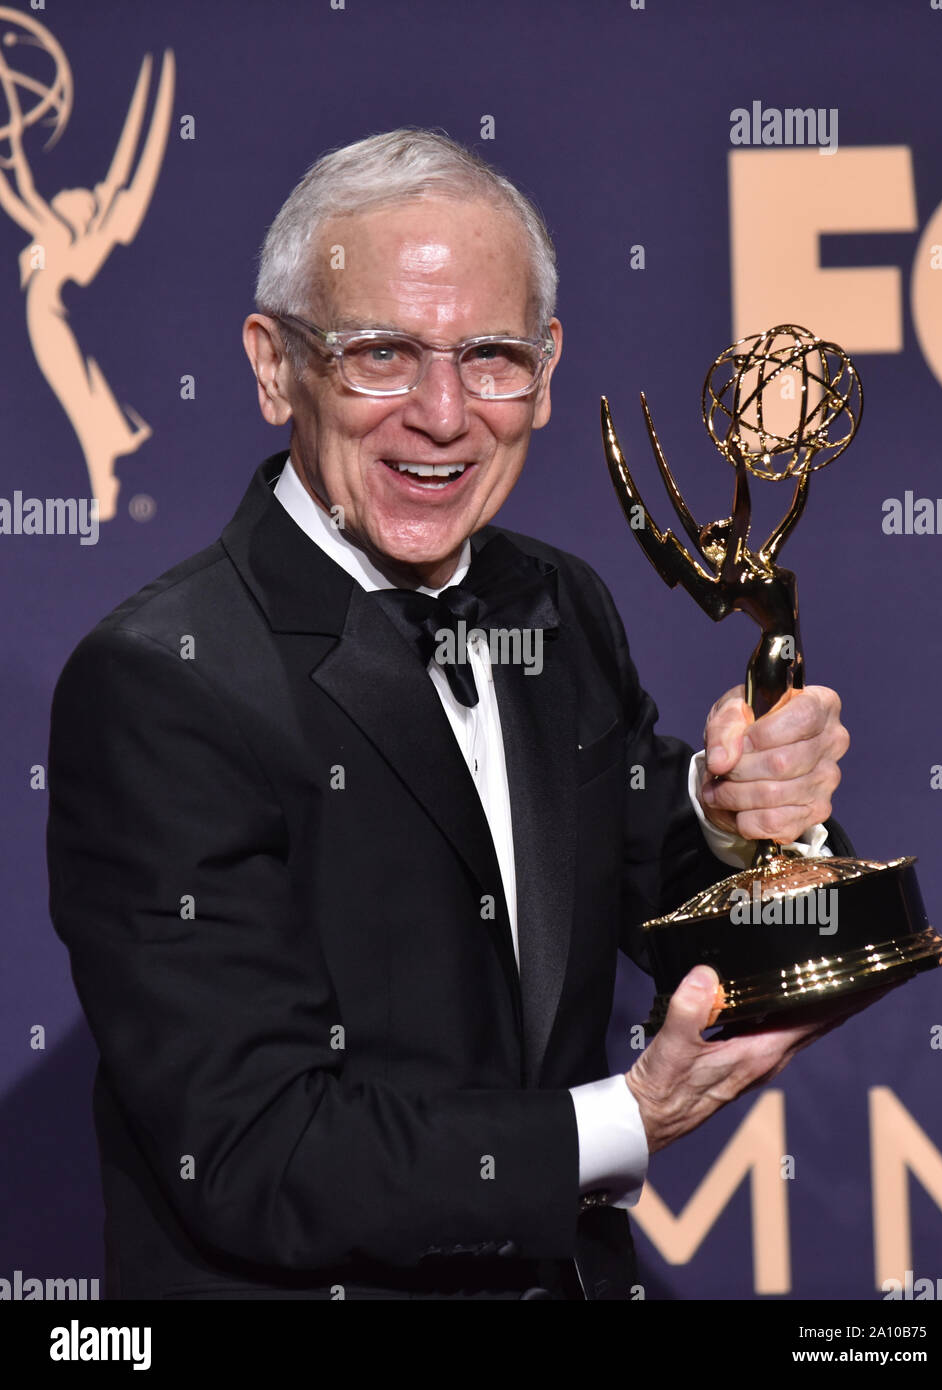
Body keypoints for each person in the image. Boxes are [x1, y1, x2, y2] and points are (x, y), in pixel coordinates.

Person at [46, 129, 857, 1301]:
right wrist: (622, 1120)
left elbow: (655, 891)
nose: (441, 415)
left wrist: (742, 815)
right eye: (381, 353)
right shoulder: (161, 682)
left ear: (546, 365)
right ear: (274, 366)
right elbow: (255, 1152)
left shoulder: (553, 602)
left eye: (489, 357)